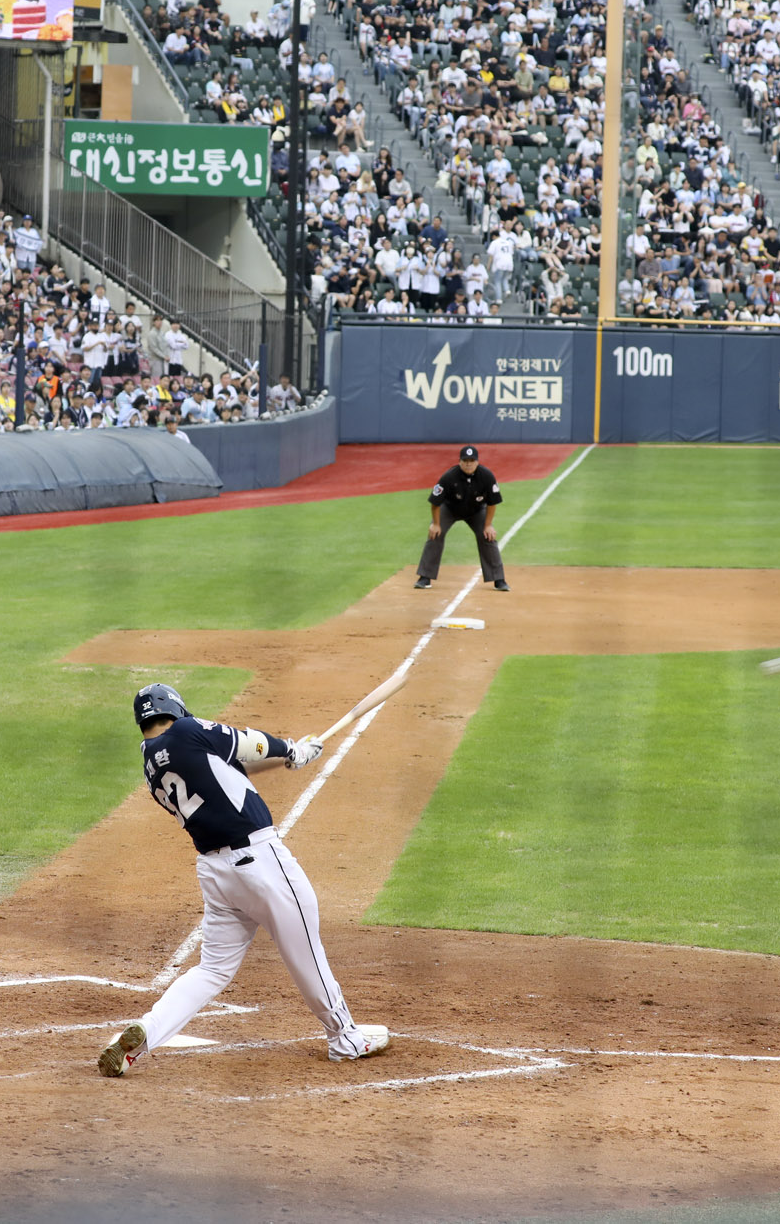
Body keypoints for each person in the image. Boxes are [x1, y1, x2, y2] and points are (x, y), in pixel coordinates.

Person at [96, 683, 390, 1076]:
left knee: (212, 970)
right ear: (175, 709)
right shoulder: (187, 731)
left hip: (217, 874)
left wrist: (291, 757)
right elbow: (249, 743)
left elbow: (231, 766)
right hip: (261, 862)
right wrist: (290, 748)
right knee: (306, 949)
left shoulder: (152, 765)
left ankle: (145, 1033)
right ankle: (345, 1037)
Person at [414, 445, 507, 592]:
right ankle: (425, 577)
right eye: (465, 461)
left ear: (477, 462)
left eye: (472, 461)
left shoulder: (487, 476)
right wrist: (436, 524)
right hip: (450, 509)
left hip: (476, 511)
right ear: (460, 462)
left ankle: (498, 579)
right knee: (435, 534)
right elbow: (435, 503)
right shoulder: (449, 476)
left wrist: (488, 525)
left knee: (487, 536)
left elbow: (492, 502)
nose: (468, 464)